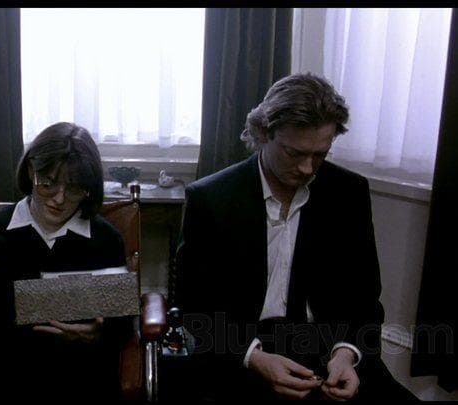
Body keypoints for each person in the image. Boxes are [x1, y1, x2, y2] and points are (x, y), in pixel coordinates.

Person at [176, 73, 416, 401]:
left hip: (329, 347)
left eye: (320, 155)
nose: (307, 168)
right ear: (263, 133)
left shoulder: (349, 192)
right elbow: (193, 303)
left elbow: (364, 295)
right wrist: (253, 357)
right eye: (294, 153)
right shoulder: (211, 198)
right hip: (240, 348)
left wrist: (346, 354)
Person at [0, 122, 131, 401]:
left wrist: (96, 334)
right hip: (9, 378)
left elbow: (123, 326)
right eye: (48, 183)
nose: (59, 199)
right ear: (32, 171)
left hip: (82, 378)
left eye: (74, 188)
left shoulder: (105, 238)